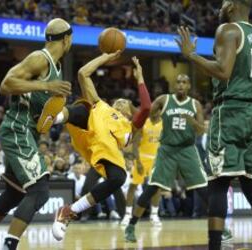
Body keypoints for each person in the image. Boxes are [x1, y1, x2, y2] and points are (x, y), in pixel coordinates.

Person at [0, 18, 73, 250]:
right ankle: (9, 246)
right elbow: (6, 83)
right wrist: (45, 87)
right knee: (40, 191)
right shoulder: (39, 58)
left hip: (28, 133)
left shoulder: (57, 67)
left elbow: (41, 106)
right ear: (66, 38)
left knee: (14, 193)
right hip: (17, 129)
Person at [175, 0, 252, 249]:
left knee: (218, 183)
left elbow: (224, 71)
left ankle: (215, 246)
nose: (220, 5)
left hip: (231, 112)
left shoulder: (228, 30)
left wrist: (191, 55)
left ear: (232, 5)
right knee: (251, 185)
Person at [38, 53, 151, 241]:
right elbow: (83, 73)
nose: (121, 102)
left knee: (119, 178)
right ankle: (52, 118)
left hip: (104, 151)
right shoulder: (103, 105)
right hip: (85, 129)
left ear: (130, 112)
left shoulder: (130, 128)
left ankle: (69, 211)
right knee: (84, 108)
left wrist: (140, 78)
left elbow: (146, 107)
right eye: (119, 101)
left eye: (126, 103)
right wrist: (107, 56)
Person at [124, 74, 210, 242]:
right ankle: (131, 226)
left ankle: (221, 227)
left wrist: (191, 121)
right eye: (177, 82)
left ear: (189, 86)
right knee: (151, 189)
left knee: (203, 190)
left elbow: (200, 131)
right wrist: (132, 109)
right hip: (167, 150)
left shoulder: (195, 105)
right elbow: (148, 114)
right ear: (174, 85)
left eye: (184, 82)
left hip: (187, 150)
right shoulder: (164, 100)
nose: (180, 85)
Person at [121, 118, 163, 227]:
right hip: (142, 157)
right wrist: (138, 161)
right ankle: (128, 214)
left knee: (156, 187)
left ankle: (154, 215)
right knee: (133, 185)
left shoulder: (164, 124)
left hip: (156, 159)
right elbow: (135, 143)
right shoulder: (144, 123)